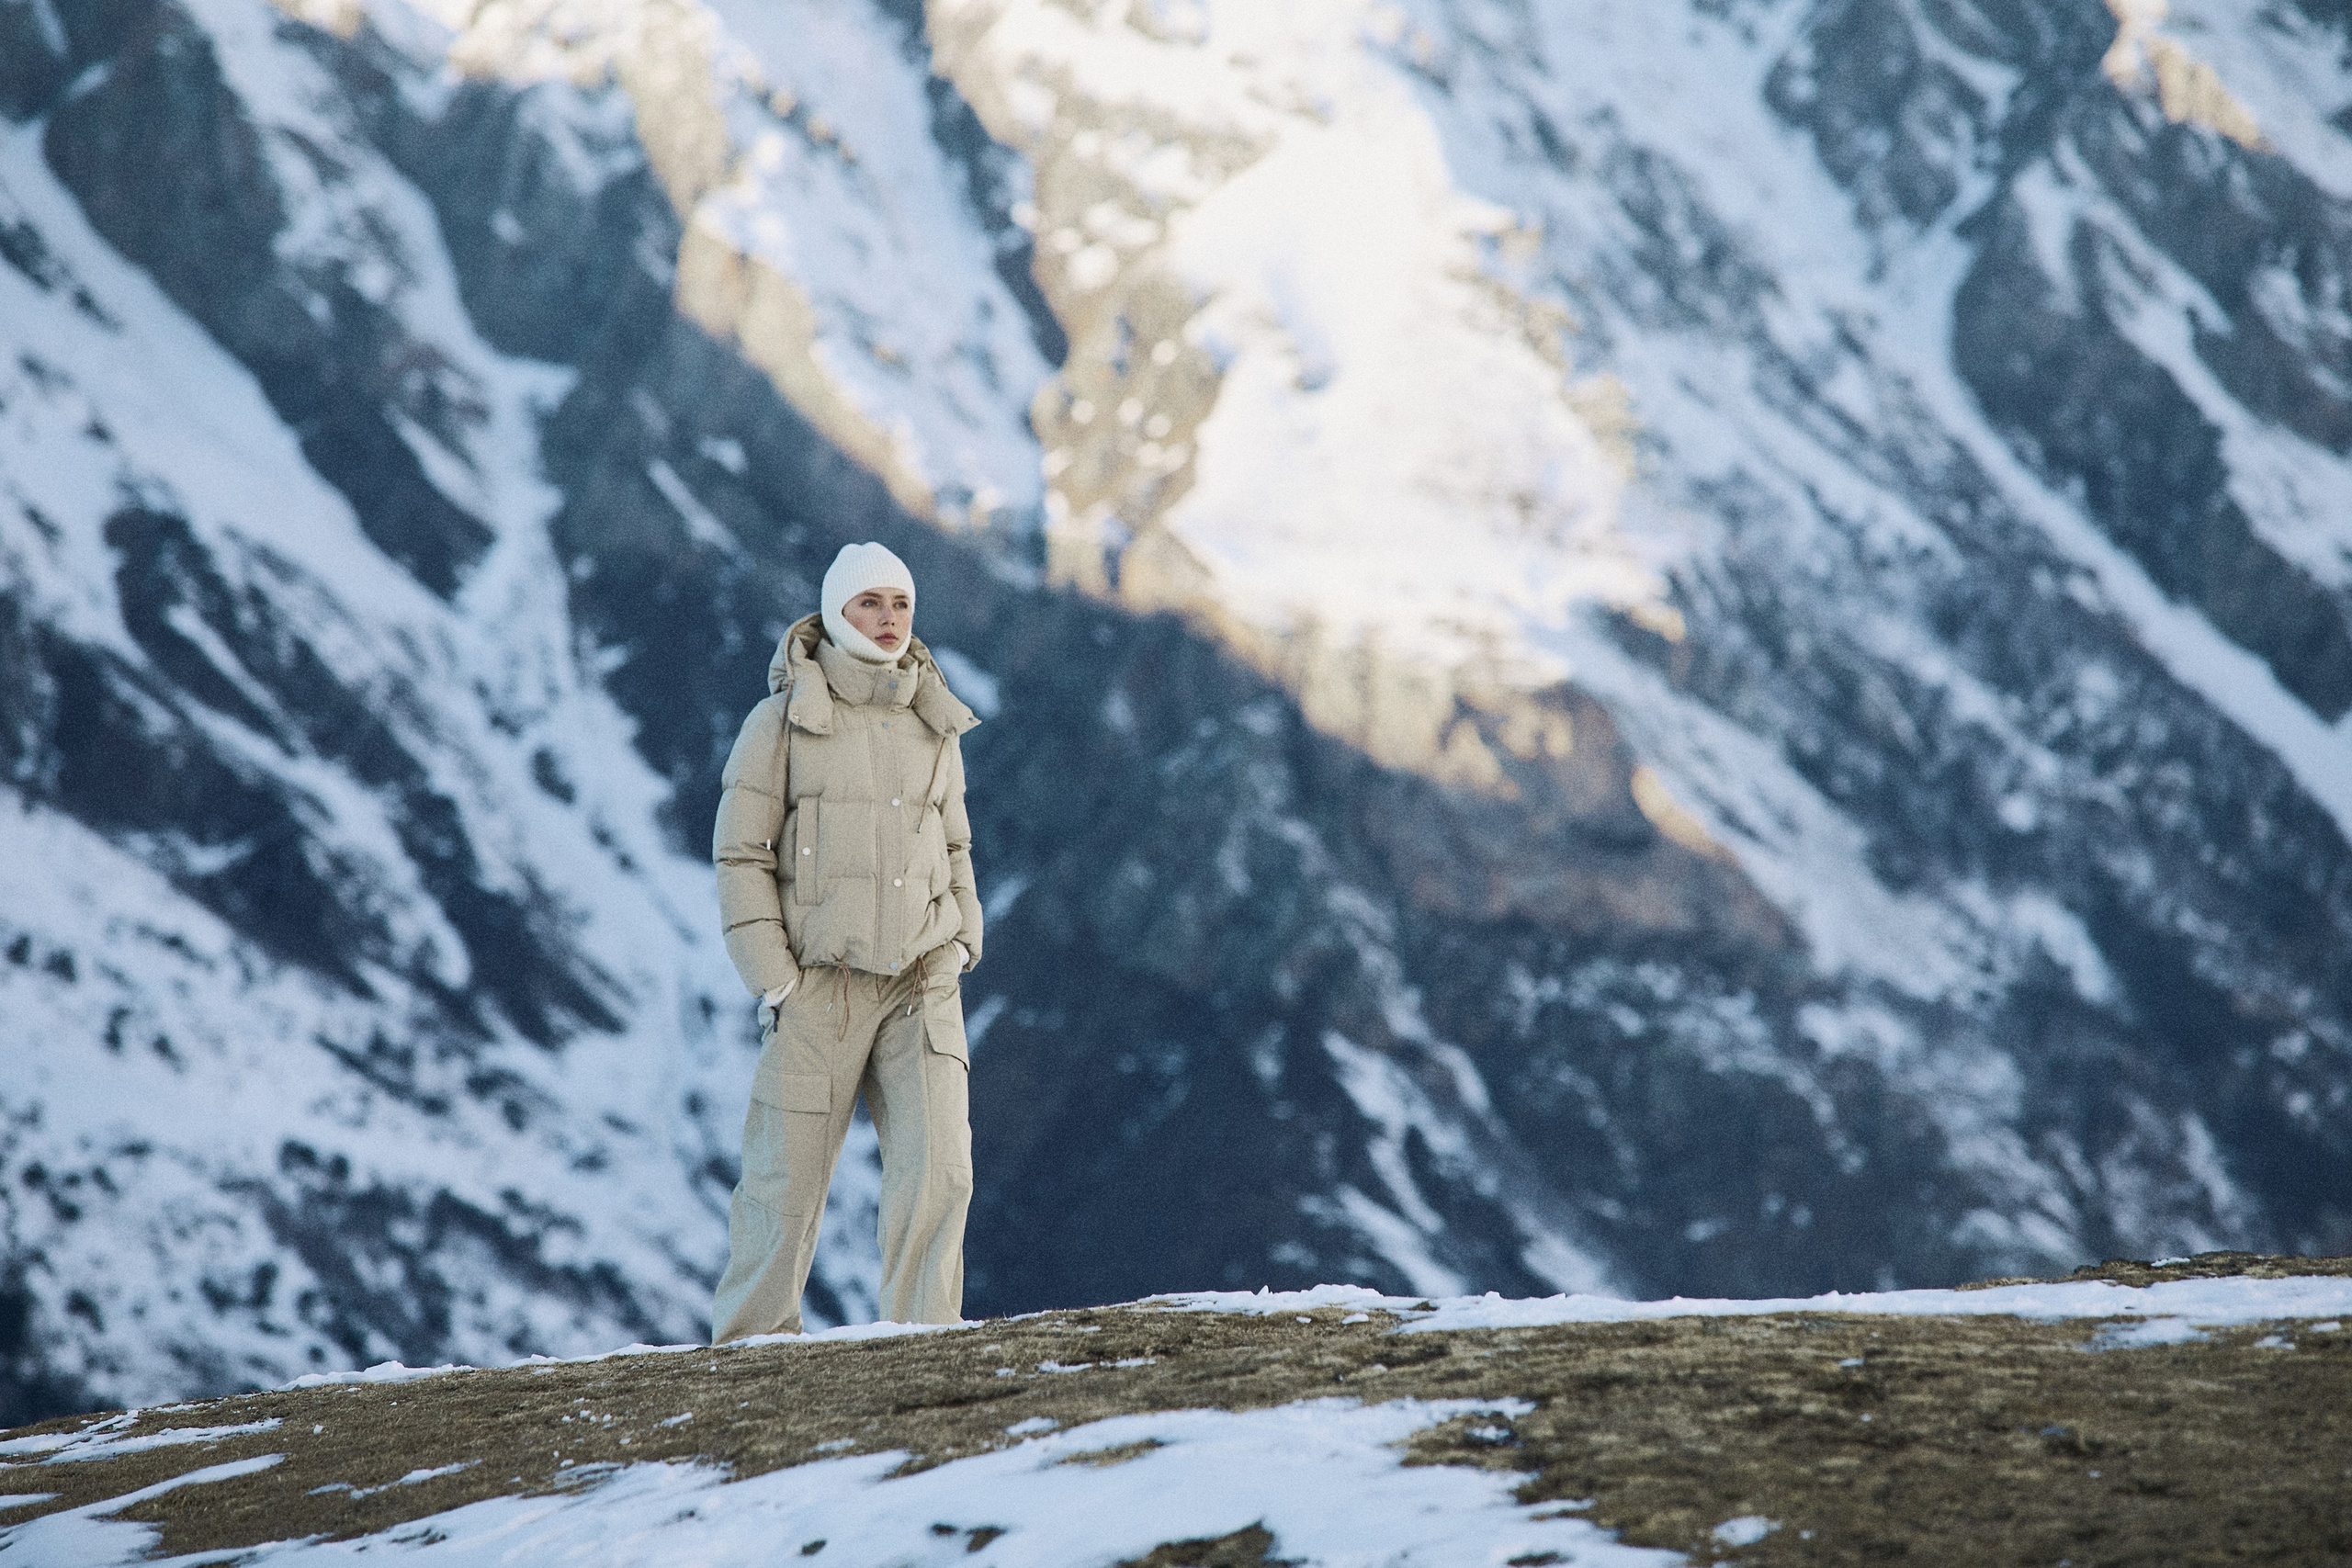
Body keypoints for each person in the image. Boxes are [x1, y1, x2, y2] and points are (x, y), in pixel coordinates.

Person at [708, 540, 982, 1341]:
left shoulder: (935, 717)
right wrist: (776, 977)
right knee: (783, 1184)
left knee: (939, 1171)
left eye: (901, 604)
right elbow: (741, 854)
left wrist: (962, 940)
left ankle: (923, 1347)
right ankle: (752, 1355)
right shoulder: (782, 721)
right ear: (835, 612)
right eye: (870, 603)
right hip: (818, 988)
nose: (889, 618)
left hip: (921, 981)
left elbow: (955, 842)